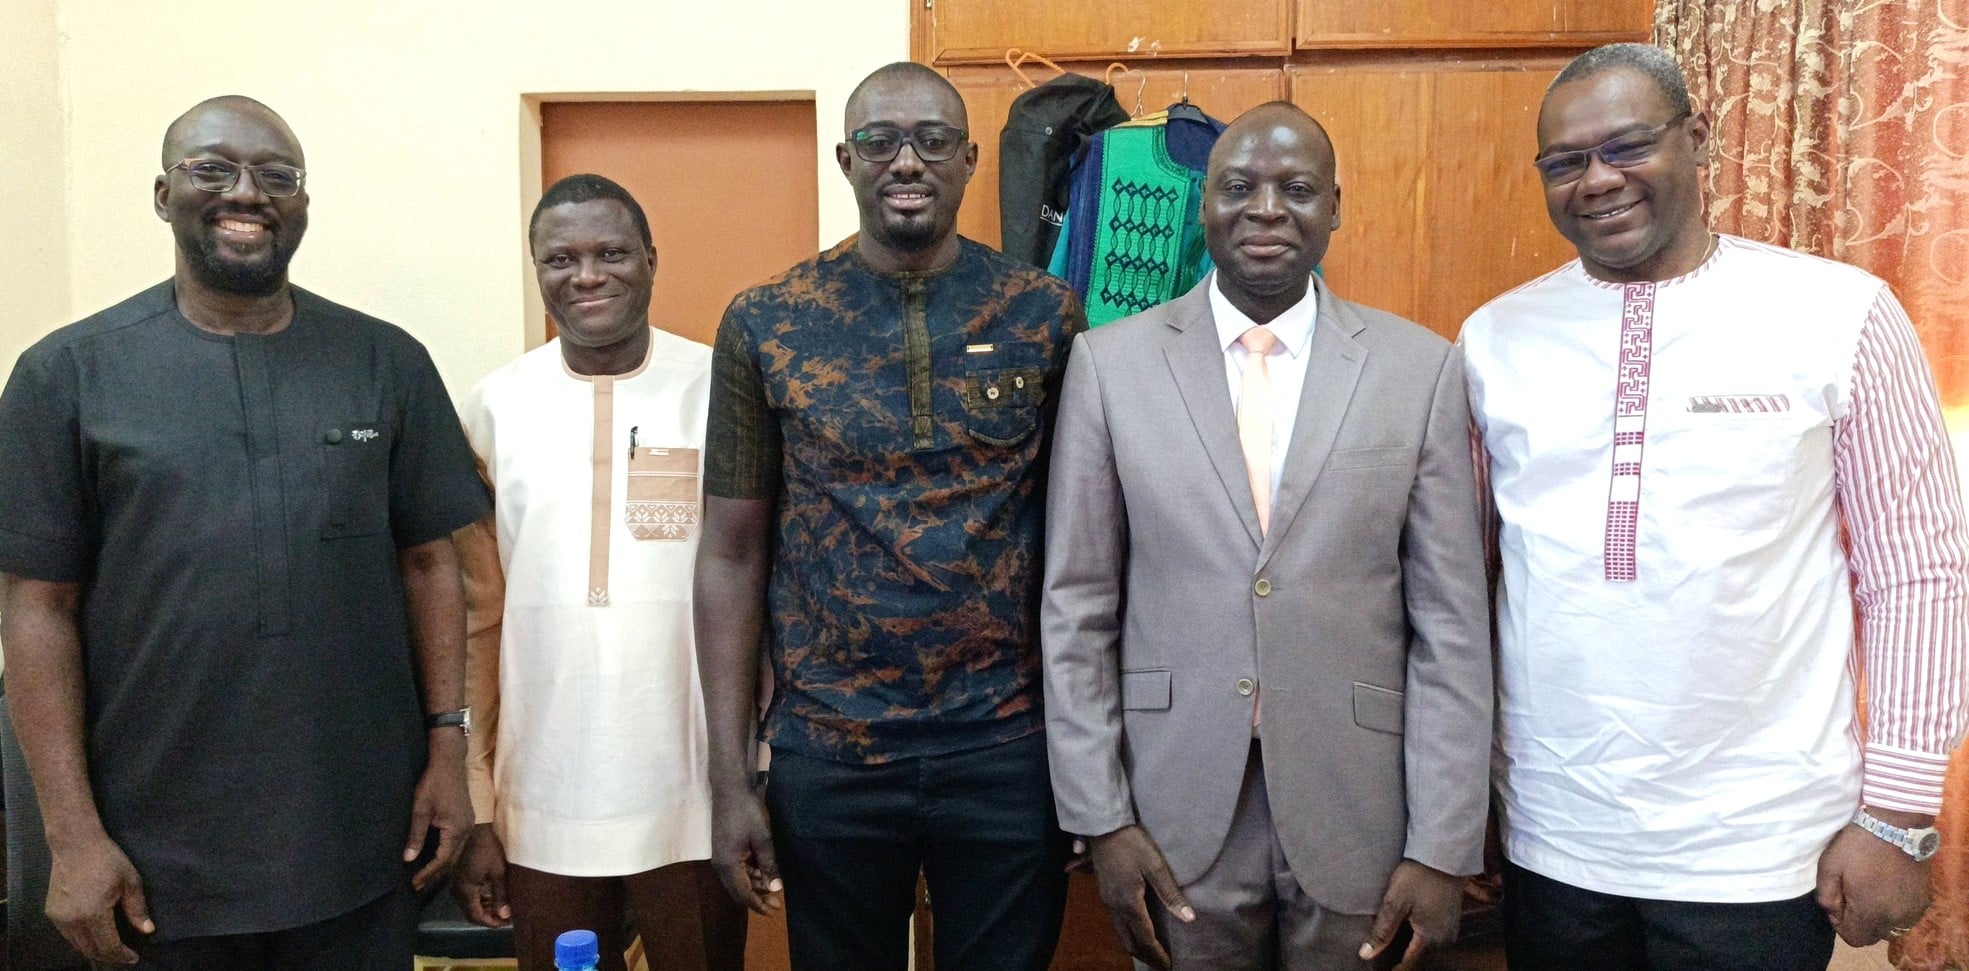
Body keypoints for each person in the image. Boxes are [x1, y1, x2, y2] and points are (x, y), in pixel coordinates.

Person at [1461, 43, 1969, 970]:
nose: (1597, 180)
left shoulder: (1840, 313)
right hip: (1552, 833)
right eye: (1565, 162)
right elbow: (1464, 584)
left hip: (1761, 849)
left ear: (1696, 138)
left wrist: (1898, 816)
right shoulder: (1494, 339)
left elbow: (1918, 574)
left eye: (1625, 146)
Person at [0, 95, 490, 969]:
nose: (247, 192)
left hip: (364, 839)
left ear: (302, 202)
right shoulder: (65, 375)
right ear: (161, 193)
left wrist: (449, 753)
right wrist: (70, 836)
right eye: (212, 169)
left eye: (277, 176)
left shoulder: (385, 362)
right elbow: (38, 606)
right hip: (158, 856)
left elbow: (430, 565)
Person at [1041, 101, 1493, 970]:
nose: (1265, 209)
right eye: (1239, 187)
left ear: (1335, 206)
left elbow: (1450, 627)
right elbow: (1076, 608)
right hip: (1172, 806)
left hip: (1361, 804)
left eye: (1296, 188)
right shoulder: (1109, 365)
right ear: (1203, 203)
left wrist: (1443, 841)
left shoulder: (1419, 369)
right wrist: (1100, 817)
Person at [693, 62, 1087, 970]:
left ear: (969, 159)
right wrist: (728, 779)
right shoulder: (766, 321)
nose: (905, 160)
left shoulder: (1042, 314)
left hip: (1007, 739)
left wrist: (1088, 756)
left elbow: (1087, 547)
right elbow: (729, 552)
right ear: (845, 159)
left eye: (931, 140)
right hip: (830, 748)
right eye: (880, 141)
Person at [448, 174, 745, 971]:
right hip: (541, 791)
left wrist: (757, 773)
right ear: (535, 268)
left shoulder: (722, 388)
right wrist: (478, 804)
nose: (586, 275)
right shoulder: (492, 408)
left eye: (611, 252)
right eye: (560, 258)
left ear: (651, 259)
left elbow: (767, 586)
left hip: (691, 788)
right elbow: (474, 619)